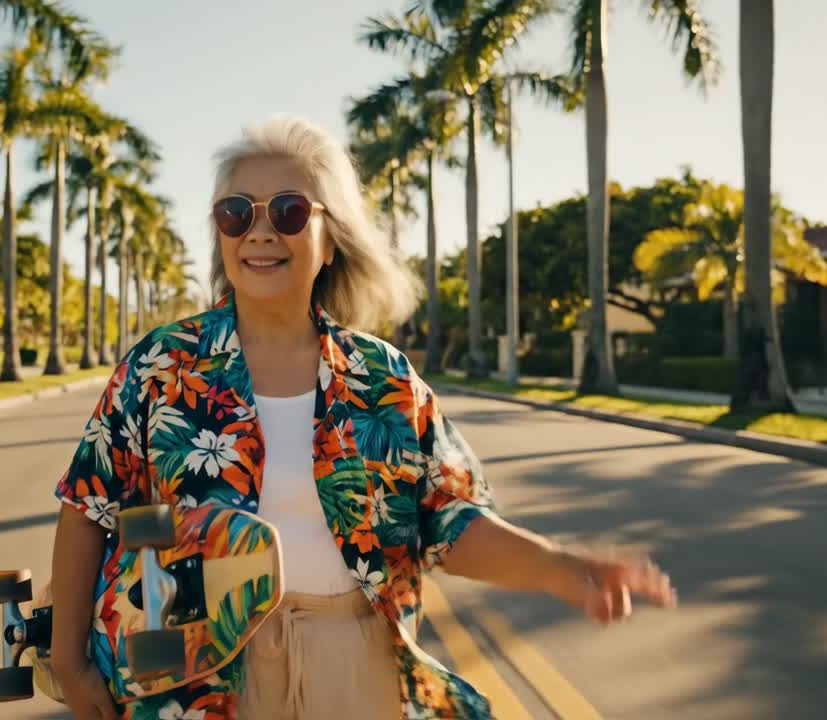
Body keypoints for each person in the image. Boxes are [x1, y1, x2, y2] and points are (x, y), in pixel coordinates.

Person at [48, 115, 677, 720]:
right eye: (237, 213)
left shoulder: (383, 378)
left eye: (289, 211)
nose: (260, 232)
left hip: (353, 662)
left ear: (332, 240)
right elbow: (88, 509)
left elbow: (448, 519)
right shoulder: (162, 367)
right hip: (192, 673)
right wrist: (70, 659)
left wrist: (560, 568)